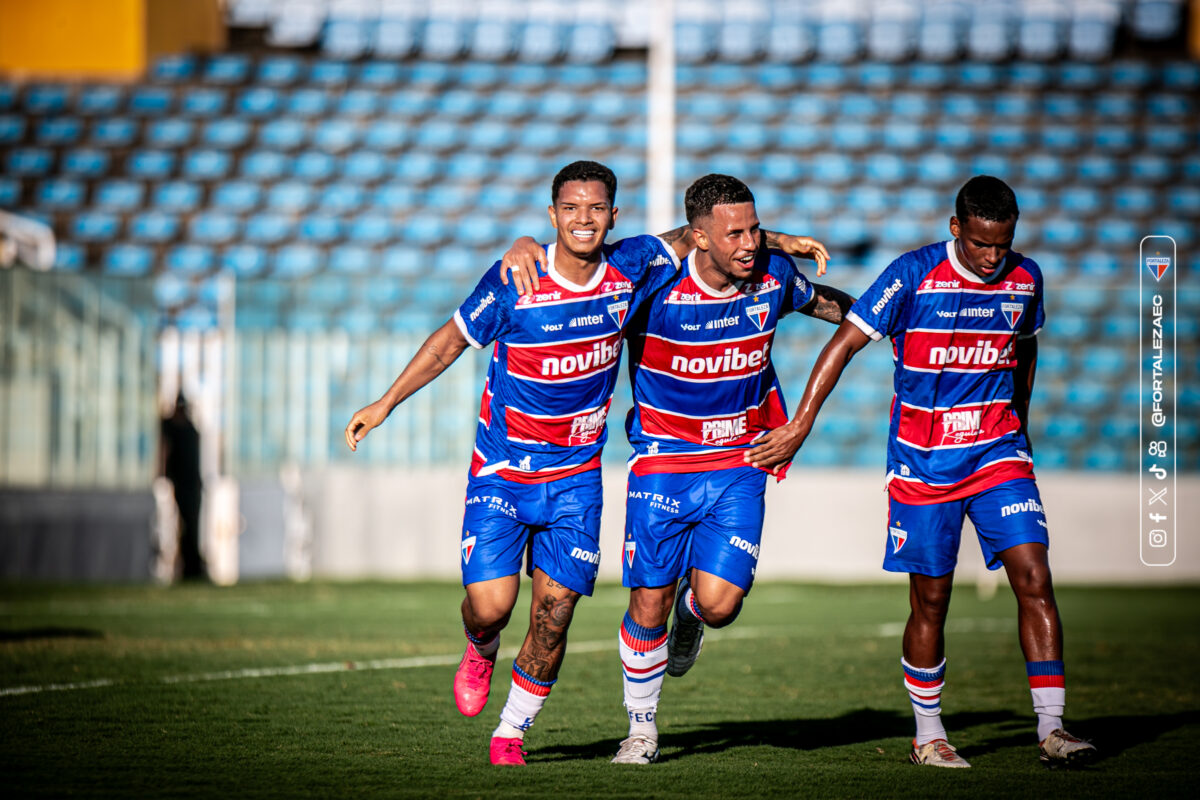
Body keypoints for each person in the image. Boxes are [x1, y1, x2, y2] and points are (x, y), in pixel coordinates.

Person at [347, 160, 825, 766]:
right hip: (502, 471)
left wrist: (781, 241)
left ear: (613, 216)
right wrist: (385, 402)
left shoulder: (633, 267)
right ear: (552, 216)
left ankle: (511, 733)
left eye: (596, 209)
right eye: (571, 209)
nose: (584, 220)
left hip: (576, 478)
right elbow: (449, 340)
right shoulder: (516, 279)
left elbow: (701, 234)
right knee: (492, 606)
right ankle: (479, 642)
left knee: (555, 613)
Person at [744, 176, 1097, 769]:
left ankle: (1053, 728)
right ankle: (929, 735)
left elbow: (1024, 347)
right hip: (923, 465)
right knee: (931, 601)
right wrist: (802, 422)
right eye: (982, 244)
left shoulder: (1026, 277)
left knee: (1034, 576)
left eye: (1003, 245)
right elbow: (844, 343)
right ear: (956, 228)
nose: (993, 258)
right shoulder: (911, 276)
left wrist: (1022, 422)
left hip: (997, 453)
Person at [611, 174, 853, 764]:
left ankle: (691, 618)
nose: (749, 244)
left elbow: (831, 307)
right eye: (735, 233)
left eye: (754, 229)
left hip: (741, 459)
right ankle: (642, 731)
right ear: (697, 237)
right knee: (648, 601)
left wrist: (891, 327)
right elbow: (588, 267)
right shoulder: (653, 283)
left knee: (717, 604)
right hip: (663, 459)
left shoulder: (773, 276)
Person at [161, 392, 205, 581]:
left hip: (192, 485)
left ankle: (192, 567)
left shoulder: (189, 428)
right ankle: (188, 567)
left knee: (192, 526)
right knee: (184, 526)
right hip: (182, 485)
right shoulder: (173, 428)